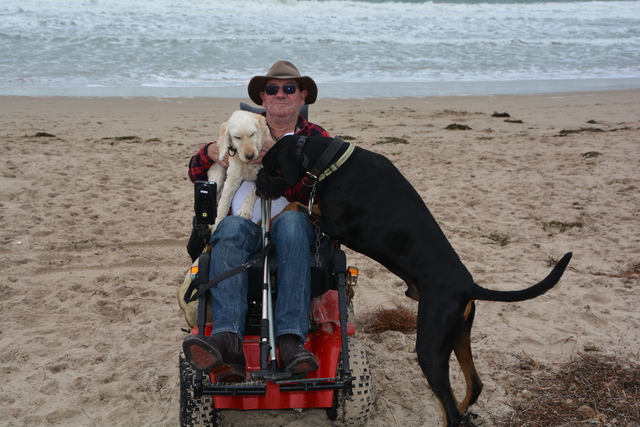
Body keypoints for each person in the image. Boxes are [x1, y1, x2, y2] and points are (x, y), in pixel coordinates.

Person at [183, 61, 331, 382]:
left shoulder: (316, 136)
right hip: (245, 225)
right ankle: (228, 340)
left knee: (292, 224)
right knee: (229, 227)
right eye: (272, 89)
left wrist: (283, 175)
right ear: (262, 98)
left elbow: (327, 188)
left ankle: (290, 340)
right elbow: (196, 174)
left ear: (302, 96)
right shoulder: (244, 127)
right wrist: (210, 152)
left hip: (294, 225)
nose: (280, 94)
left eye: (289, 88)